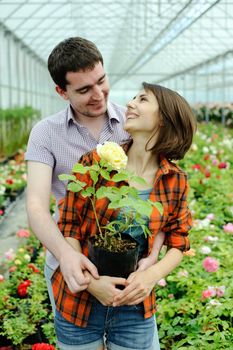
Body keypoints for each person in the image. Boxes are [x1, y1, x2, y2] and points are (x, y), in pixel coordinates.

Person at [52, 83, 197, 350]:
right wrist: (92, 281)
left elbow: (179, 242)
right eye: (132, 98)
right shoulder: (97, 163)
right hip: (81, 299)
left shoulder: (175, 180)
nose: (130, 104)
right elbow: (69, 226)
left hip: (135, 305)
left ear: (164, 119)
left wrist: (152, 275)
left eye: (142, 99)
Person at [25, 37, 130, 314]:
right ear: (62, 91)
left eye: (101, 81)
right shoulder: (46, 133)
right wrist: (67, 255)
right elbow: (36, 205)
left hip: (126, 266)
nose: (98, 94)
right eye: (84, 89)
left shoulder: (131, 124)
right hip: (70, 265)